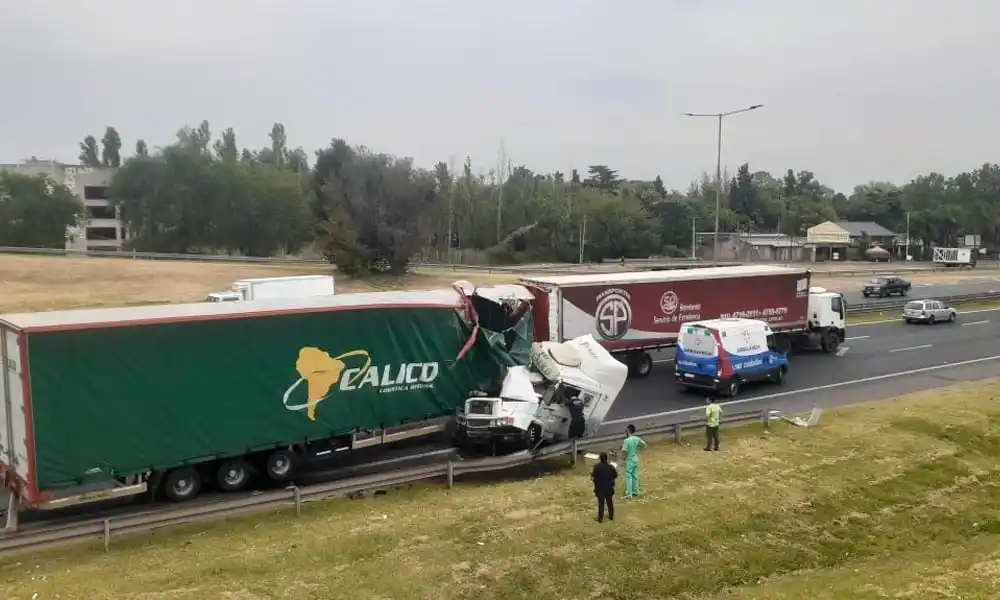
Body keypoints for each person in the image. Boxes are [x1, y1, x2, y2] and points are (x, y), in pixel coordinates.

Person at [620, 424, 646, 498]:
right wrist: (638, 450)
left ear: (628, 430)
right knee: (635, 476)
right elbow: (644, 444)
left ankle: (629, 494)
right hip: (635, 459)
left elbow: (624, 451)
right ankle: (636, 491)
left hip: (629, 460)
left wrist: (623, 459)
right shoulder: (636, 438)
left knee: (629, 476)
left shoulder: (626, 441)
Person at [590, 452, 617, 522]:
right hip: (609, 487)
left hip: (600, 488)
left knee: (601, 503)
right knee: (610, 502)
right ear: (606, 458)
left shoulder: (596, 467)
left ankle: (600, 518)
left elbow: (593, 476)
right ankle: (611, 516)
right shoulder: (611, 467)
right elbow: (615, 475)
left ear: (600, 458)